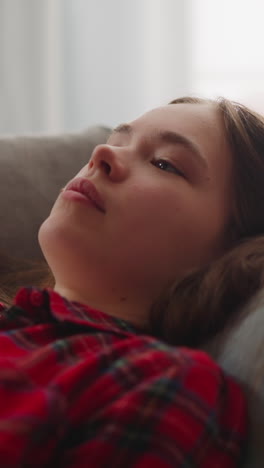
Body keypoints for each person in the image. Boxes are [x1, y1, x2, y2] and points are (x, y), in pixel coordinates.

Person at [2, 95, 264, 467]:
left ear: (232, 251)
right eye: (117, 140)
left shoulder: (160, 382)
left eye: (164, 164)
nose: (101, 154)